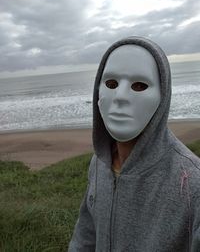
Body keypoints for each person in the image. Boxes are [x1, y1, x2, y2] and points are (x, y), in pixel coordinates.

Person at [68, 36, 200, 251]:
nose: (120, 96)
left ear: (163, 95)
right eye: (111, 83)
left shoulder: (192, 184)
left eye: (139, 85)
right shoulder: (99, 163)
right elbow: (86, 233)